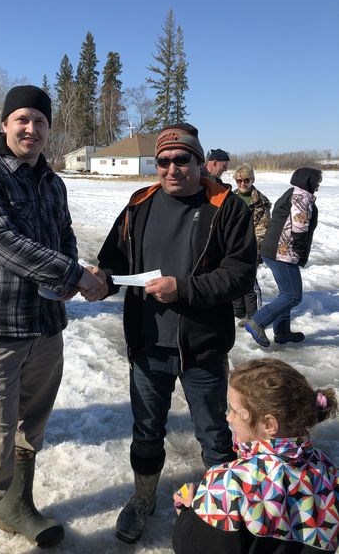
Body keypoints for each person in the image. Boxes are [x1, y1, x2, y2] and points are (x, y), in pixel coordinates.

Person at [0, 85, 105, 554]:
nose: (31, 129)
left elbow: (64, 236)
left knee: (28, 432)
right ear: (4, 124)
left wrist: (76, 275)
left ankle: (17, 510)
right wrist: (75, 273)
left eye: (40, 121)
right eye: (22, 119)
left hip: (45, 325)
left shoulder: (52, 181)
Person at [96, 123, 257, 544]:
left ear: (199, 162)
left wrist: (182, 288)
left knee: (216, 436)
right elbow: (114, 261)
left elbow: (239, 276)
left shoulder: (227, 206)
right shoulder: (140, 203)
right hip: (148, 344)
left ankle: (223, 506)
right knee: (147, 431)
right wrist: (100, 281)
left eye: (181, 159)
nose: (171, 168)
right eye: (163, 161)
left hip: (202, 346)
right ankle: (143, 499)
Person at [173, 357, 339, 553]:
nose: (228, 417)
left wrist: (190, 513)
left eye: (235, 411)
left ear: (268, 424)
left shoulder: (227, 484)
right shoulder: (326, 469)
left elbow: (194, 547)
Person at [245, 167, 322, 348]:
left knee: (285, 293)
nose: (318, 185)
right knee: (292, 295)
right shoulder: (302, 197)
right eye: (317, 181)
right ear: (308, 180)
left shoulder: (291, 192)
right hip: (283, 251)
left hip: (273, 249)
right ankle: (257, 322)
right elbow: (299, 229)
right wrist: (300, 253)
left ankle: (282, 332)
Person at [232, 163, 271, 326]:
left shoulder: (261, 201)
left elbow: (263, 229)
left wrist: (255, 251)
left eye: (246, 180)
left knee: (249, 283)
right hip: (232, 247)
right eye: (239, 180)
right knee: (233, 280)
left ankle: (253, 315)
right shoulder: (231, 197)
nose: (242, 183)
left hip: (251, 248)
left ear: (252, 180)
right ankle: (237, 312)